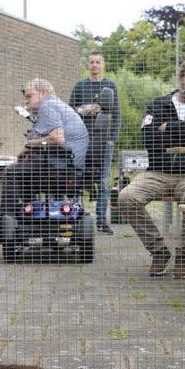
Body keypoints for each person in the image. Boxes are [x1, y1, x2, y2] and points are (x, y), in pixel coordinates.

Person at [119, 56, 185, 279]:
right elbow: (149, 138)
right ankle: (158, 251)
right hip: (158, 171)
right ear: (180, 77)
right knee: (127, 197)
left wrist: (170, 128)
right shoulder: (158, 104)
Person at [0, 78, 89, 248]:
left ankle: (4, 227)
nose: (26, 101)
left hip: (59, 168)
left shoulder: (47, 106)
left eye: (29, 96)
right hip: (66, 165)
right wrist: (29, 150)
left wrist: (30, 144)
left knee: (11, 173)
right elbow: (52, 140)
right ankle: (27, 224)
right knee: (23, 172)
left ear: (42, 93)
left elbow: (57, 138)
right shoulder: (58, 106)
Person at [69, 51, 121, 234]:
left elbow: (116, 115)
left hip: (104, 141)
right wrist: (85, 109)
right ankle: (75, 218)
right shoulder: (80, 86)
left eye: (98, 62)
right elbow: (70, 111)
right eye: (91, 62)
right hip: (81, 140)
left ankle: (101, 222)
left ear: (103, 65)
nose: (94, 65)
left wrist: (112, 138)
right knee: (77, 178)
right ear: (88, 65)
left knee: (104, 180)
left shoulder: (111, 86)